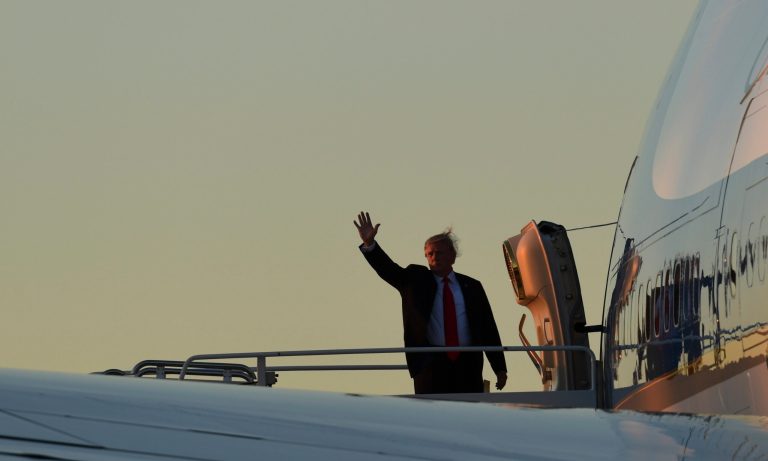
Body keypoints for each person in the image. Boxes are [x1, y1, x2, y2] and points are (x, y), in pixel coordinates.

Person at [354, 211, 507, 394]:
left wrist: (499, 368)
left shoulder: (472, 286)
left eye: (439, 252)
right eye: (429, 254)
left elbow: (488, 326)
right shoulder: (414, 280)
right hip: (430, 365)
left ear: (452, 254)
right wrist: (370, 244)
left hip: (468, 364)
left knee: (468, 417)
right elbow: (389, 270)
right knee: (431, 417)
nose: (434, 257)